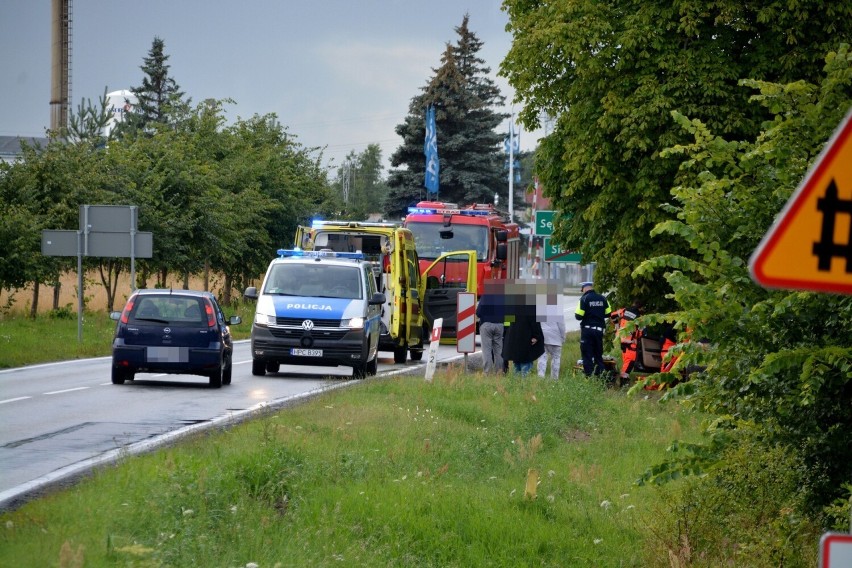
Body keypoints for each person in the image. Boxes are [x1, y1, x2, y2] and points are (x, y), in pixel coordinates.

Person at [575, 281, 611, 376]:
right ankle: (602, 378)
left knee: (587, 355)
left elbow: (578, 316)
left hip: (587, 331)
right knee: (598, 355)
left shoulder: (584, 299)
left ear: (585, 288)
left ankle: (589, 378)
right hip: (599, 331)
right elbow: (608, 313)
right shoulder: (603, 298)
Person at [503, 308, 544, 376]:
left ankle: (516, 384)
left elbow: (507, 324)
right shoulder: (529, 308)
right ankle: (523, 384)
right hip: (526, 340)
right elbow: (535, 323)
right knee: (526, 367)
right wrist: (536, 336)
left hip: (514, 340)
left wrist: (507, 335)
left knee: (517, 366)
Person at [476, 280, 505, 374]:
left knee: (486, 350)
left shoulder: (485, 297)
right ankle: (499, 372)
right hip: (500, 325)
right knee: (499, 350)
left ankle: (487, 373)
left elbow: (478, 313)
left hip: (486, 325)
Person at [611, 302, 642, 383]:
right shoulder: (639, 317)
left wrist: (617, 327)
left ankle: (623, 381)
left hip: (622, 341)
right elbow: (641, 332)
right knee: (629, 364)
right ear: (641, 308)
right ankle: (623, 384)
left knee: (626, 362)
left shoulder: (624, 310)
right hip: (631, 343)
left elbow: (613, 315)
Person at [537, 306, 566, 380]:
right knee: (556, 359)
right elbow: (561, 325)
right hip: (556, 337)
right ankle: (554, 378)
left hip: (543, 336)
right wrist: (563, 337)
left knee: (542, 358)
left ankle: (540, 377)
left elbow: (538, 324)